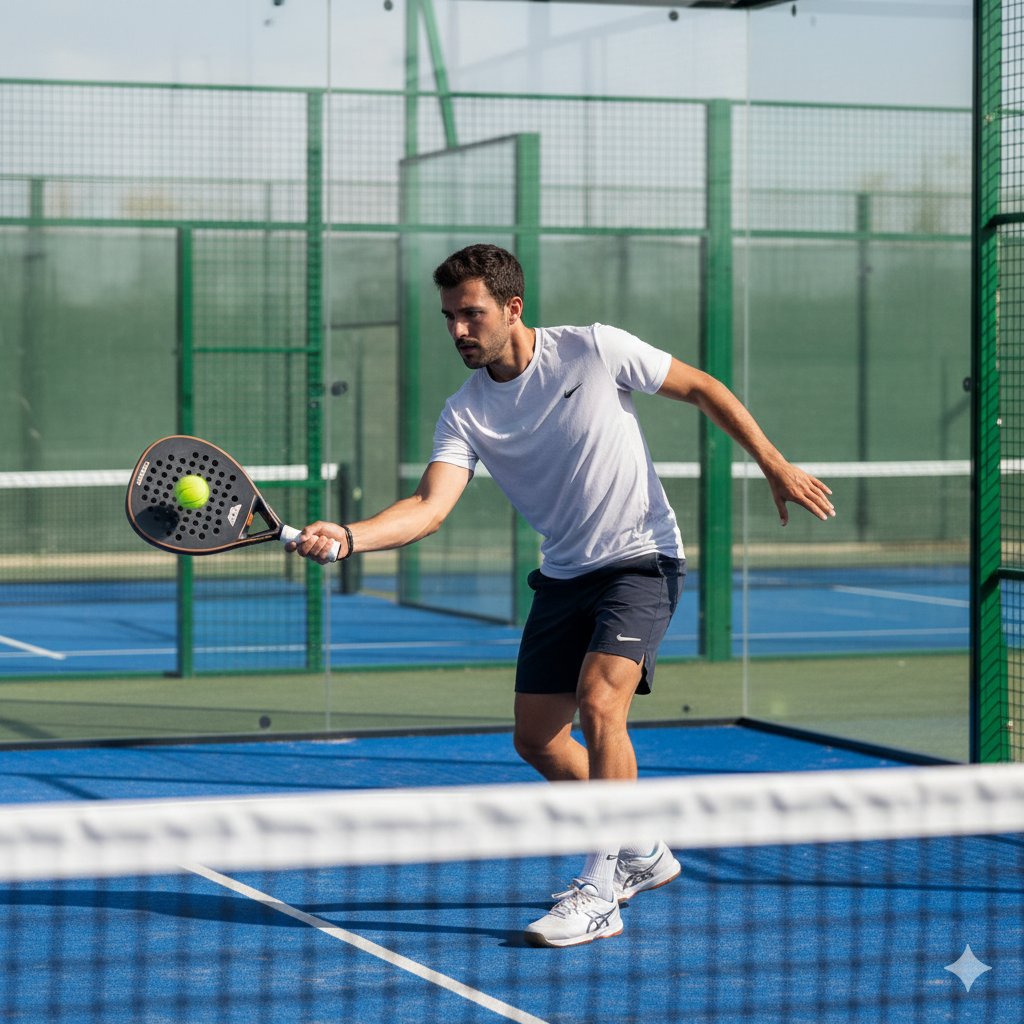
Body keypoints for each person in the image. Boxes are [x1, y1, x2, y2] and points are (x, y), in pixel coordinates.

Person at [289, 243, 835, 948]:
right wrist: (353, 536)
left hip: (642, 560)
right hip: (565, 575)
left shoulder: (594, 350)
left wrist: (773, 461)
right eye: (450, 316)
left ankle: (600, 889)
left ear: (513, 308)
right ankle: (639, 846)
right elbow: (428, 506)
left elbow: (701, 387)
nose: (458, 329)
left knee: (602, 703)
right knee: (538, 740)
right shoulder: (465, 414)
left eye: (472, 313)